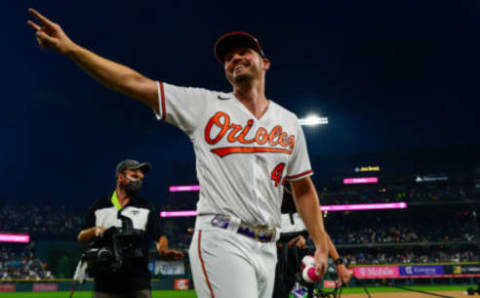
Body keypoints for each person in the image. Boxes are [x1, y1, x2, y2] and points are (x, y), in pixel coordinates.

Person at [28, 9, 330, 298]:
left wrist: (320, 243)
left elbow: (303, 189)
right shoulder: (205, 105)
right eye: (228, 57)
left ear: (265, 63)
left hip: (267, 247)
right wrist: (72, 50)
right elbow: (135, 83)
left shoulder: (288, 122)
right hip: (221, 238)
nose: (234, 58)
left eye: (243, 52)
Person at [77, 159, 184, 298]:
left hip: (138, 285)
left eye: (141, 178)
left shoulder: (146, 207)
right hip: (104, 286)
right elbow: (81, 236)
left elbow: (159, 235)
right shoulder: (99, 206)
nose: (138, 181)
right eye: (134, 176)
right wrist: (94, 230)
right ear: (120, 177)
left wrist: (163, 250)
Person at [273, 187, 351, 298]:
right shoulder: (267, 195)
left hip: (297, 266)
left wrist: (339, 264)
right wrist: (285, 245)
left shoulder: (303, 199)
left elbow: (321, 235)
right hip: (274, 266)